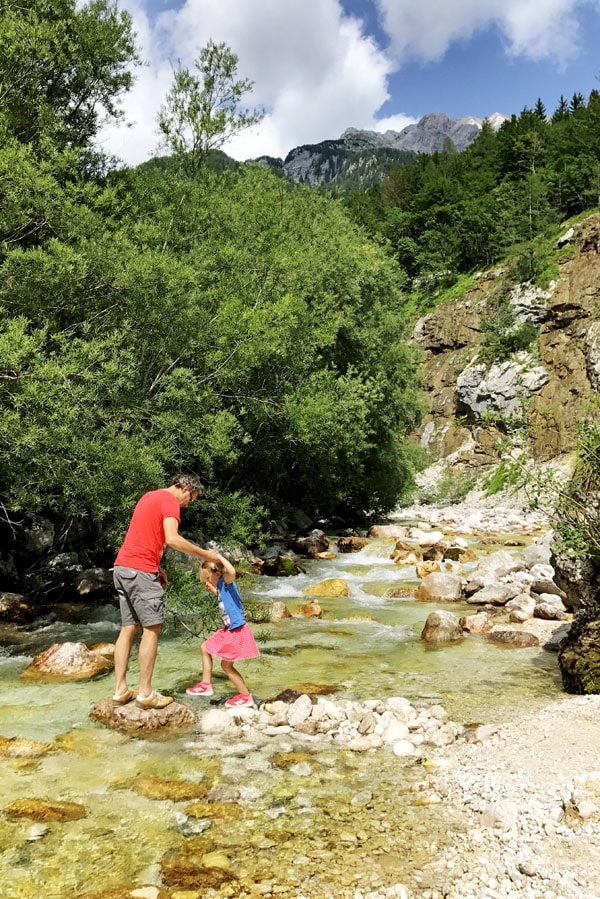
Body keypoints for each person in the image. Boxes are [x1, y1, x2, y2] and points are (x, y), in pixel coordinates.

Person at [111, 473, 221, 710]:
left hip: (122, 568)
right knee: (151, 629)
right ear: (185, 489)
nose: (188, 504)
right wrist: (205, 554)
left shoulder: (149, 496)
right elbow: (172, 538)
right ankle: (146, 694)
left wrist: (157, 567)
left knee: (127, 628)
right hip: (140, 570)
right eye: (191, 499)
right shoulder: (171, 501)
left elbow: (145, 535)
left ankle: (120, 690)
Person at [185, 552, 260, 708]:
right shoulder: (221, 587)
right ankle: (236, 693)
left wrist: (219, 558)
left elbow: (231, 572)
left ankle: (240, 695)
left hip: (236, 629)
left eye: (207, 577)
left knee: (216, 657)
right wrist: (213, 590)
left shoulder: (227, 581)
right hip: (230, 629)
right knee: (216, 658)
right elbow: (225, 600)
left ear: (216, 573)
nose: (206, 580)